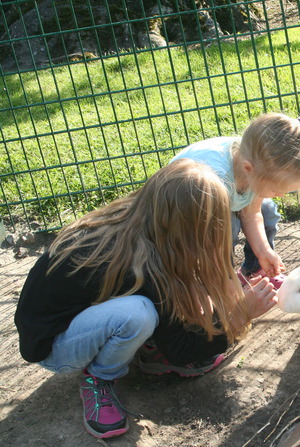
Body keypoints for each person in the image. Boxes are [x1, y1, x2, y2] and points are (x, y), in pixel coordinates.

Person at [14, 159, 278, 439]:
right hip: (53, 346)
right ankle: (100, 377)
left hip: (74, 320)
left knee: (160, 301)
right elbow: (182, 349)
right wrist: (241, 314)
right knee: (138, 314)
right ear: (189, 227)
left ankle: (150, 348)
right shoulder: (145, 268)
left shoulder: (142, 225)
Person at [170, 112, 300, 289]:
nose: (280, 195)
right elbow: (212, 241)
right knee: (228, 228)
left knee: (267, 210)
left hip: (223, 200)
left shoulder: (257, 164)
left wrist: (264, 252)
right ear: (249, 169)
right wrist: (227, 283)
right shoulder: (217, 176)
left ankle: (255, 270)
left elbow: (251, 213)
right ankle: (217, 282)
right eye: (276, 190)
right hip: (184, 212)